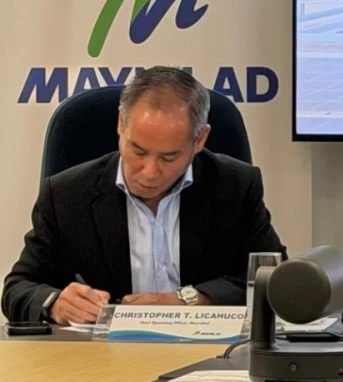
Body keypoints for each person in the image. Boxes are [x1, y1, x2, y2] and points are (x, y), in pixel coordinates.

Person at [2, 66, 287, 325]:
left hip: (207, 357)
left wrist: (190, 300)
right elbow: (18, 287)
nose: (150, 173)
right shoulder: (66, 194)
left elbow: (273, 278)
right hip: (104, 363)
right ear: (120, 125)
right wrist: (55, 303)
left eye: (169, 157)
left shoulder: (235, 185)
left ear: (199, 140)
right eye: (138, 151)